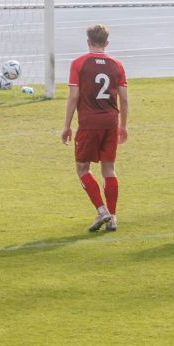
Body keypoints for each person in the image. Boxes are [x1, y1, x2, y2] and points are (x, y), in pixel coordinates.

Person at [61, 24, 129, 232]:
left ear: (88, 41)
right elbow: (124, 100)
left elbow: (74, 96)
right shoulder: (117, 65)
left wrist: (66, 126)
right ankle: (113, 217)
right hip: (110, 121)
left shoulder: (79, 64)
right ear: (107, 43)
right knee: (109, 168)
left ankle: (102, 211)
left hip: (89, 123)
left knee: (82, 168)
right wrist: (123, 126)